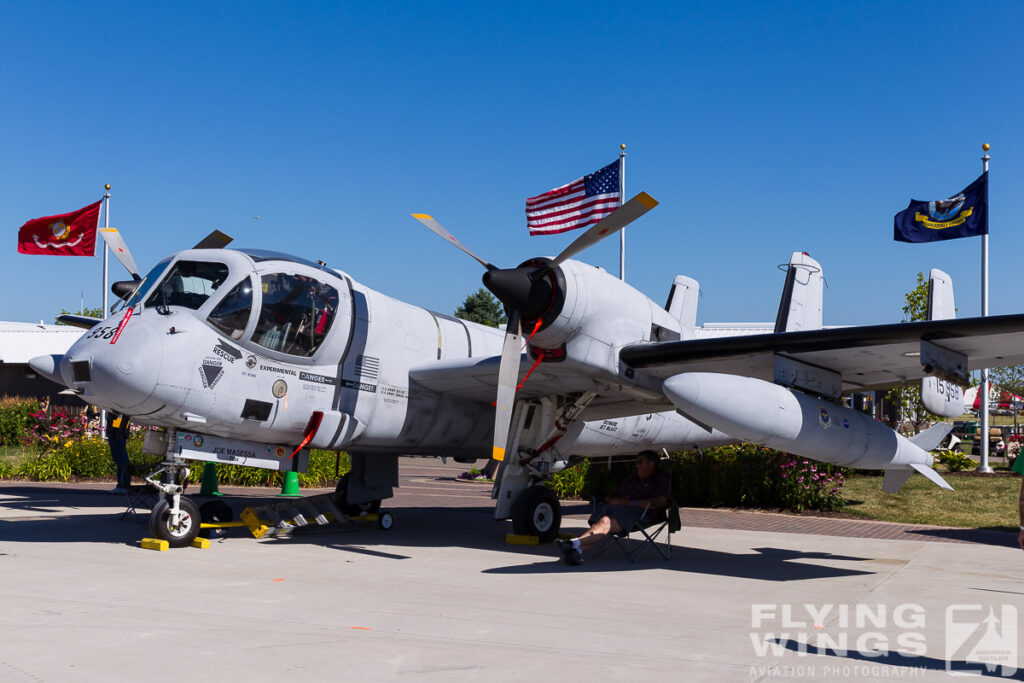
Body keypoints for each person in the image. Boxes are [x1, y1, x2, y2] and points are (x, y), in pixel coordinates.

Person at [556, 450, 671, 565]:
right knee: (602, 524)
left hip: (640, 515)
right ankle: (576, 549)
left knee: (605, 522)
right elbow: (612, 495)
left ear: (651, 464)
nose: (637, 465)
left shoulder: (660, 479)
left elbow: (660, 502)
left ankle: (574, 543)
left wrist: (631, 503)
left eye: (640, 462)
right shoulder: (633, 479)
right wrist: (613, 500)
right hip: (618, 510)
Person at [106, 412, 132, 494]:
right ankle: (123, 485)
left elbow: (120, 419)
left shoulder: (117, 411)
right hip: (116, 433)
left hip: (117, 433)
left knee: (121, 460)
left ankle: (123, 485)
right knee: (120, 459)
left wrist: (119, 432)